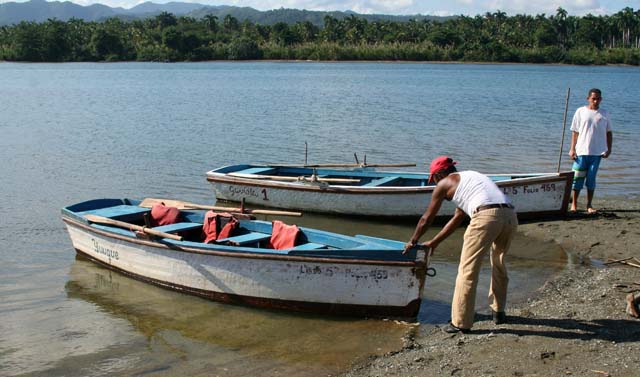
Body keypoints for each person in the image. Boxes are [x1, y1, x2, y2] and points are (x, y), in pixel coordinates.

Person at [403, 156, 518, 333]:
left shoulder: (444, 184)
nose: (434, 183)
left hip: (485, 216)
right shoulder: (470, 178)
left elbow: (426, 219)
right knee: (499, 263)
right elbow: (457, 218)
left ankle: (461, 322)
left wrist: (413, 240)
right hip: (510, 215)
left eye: (433, 178)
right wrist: (434, 242)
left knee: (467, 271)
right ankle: (498, 311)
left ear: (439, 174)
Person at [568, 88, 613, 214]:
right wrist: (572, 149)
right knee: (577, 179)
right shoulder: (580, 111)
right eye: (593, 98)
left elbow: (609, 133)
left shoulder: (604, 114)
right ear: (588, 98)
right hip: (581, 151)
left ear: (601, 99)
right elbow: (575, 132)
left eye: (598, 98)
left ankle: (589, 205)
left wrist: (608, 149)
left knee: (591, 179)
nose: (595, 101)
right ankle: (574, 205)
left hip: (597, 153)